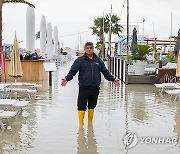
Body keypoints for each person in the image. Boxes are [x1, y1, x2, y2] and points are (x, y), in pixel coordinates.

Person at [61, 42, 120, 127]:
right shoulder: (79, 60)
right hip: (84, 87)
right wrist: (67, 78)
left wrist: (113, 79)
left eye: (91, 48)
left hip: (95, 87)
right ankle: (81, 126)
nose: (89, 49)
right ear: (85, 49)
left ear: (93, 49)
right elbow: (73, 71)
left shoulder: (98, 60)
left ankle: (90, 124)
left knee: (92, 106)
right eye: (87, 48)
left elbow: (105, 72)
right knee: (81, 106)